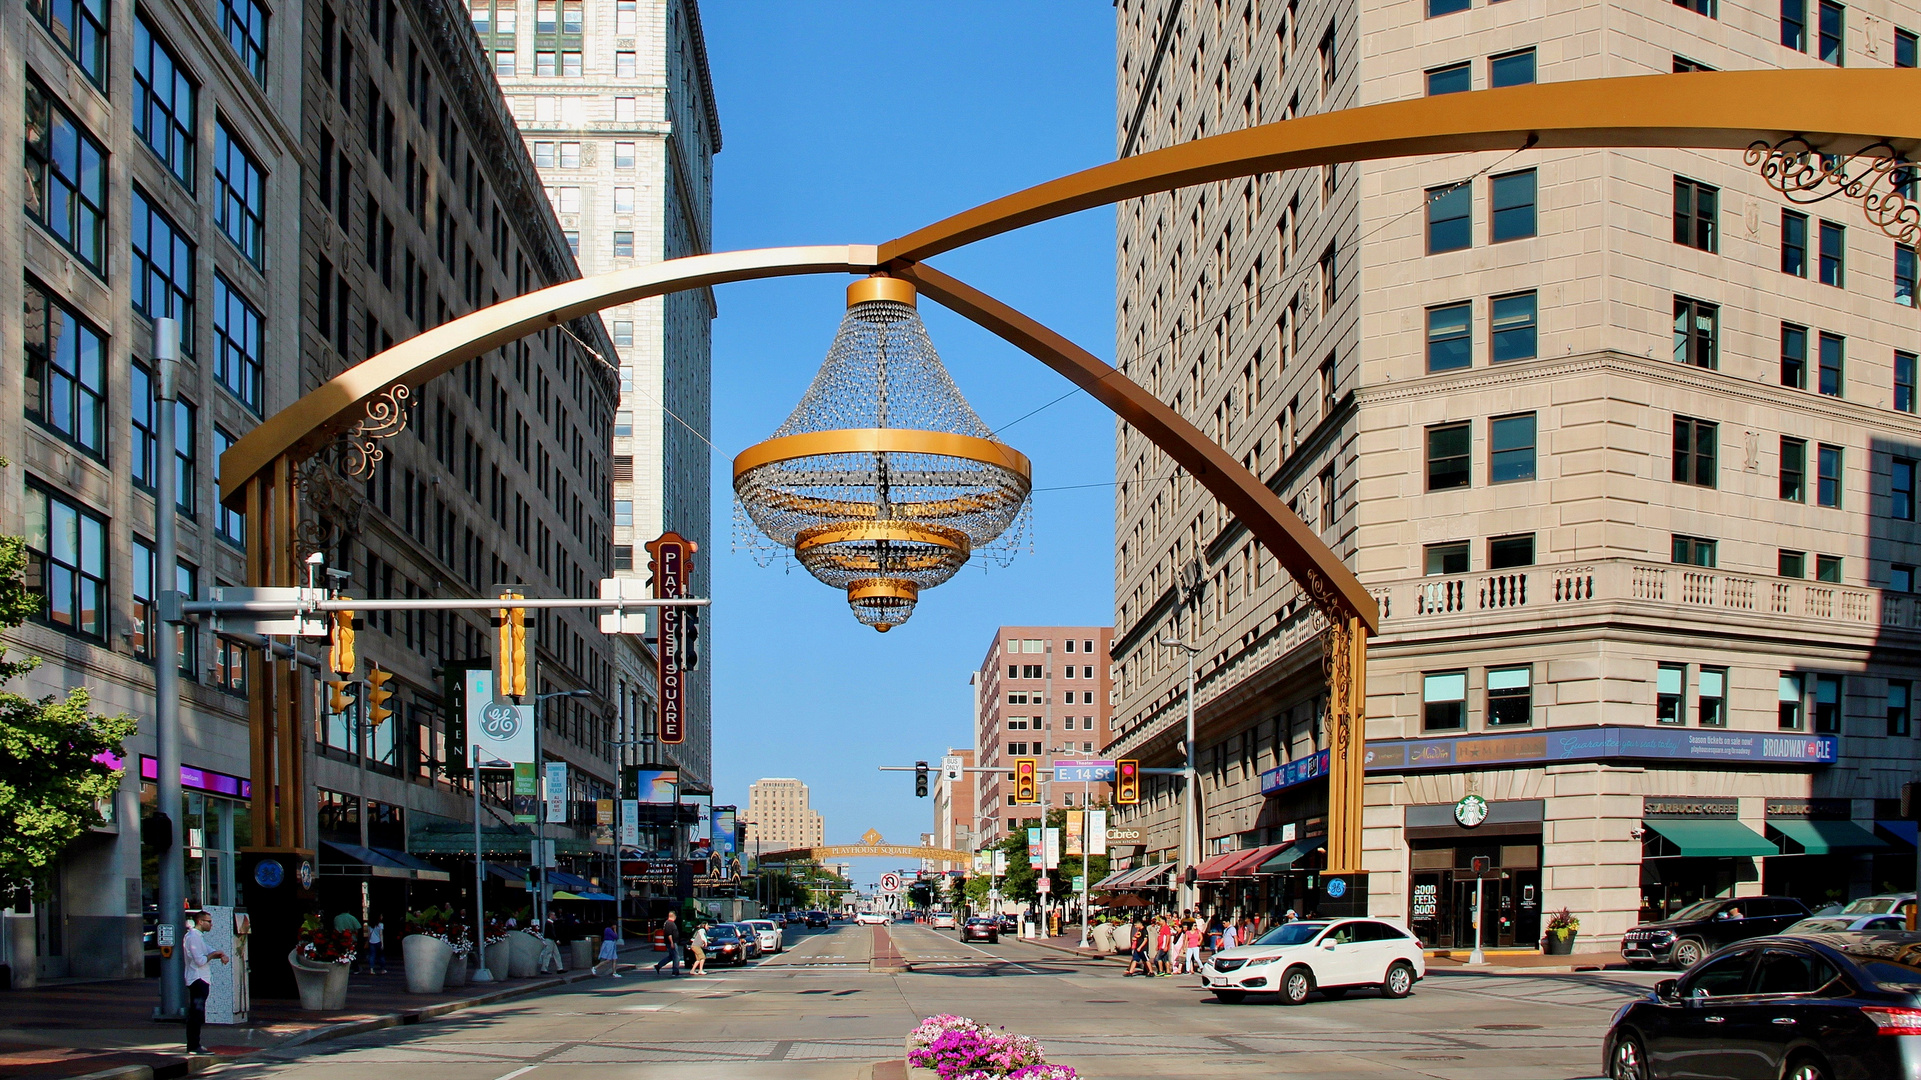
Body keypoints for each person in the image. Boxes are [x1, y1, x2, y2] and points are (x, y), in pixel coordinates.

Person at [183, 911, 228, 1055]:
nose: (211, 924)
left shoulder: (198, 937)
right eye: (208, 921)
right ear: (200, 922)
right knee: (196, 1013)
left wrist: (218, 953)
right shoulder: (193, 937)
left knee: (198, 1013)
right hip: (197, 978)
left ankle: (195, 1044)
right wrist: (215, 955)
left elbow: (209, 949)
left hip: (201, 978)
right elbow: (200, 960)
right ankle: (193, 1045)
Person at [653, 912, 680, 976]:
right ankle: (675, 971)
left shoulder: (668, 923)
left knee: (671, 957)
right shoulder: (669, 923)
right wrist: (672, 943)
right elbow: (669, 934)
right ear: (674, 917)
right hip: (672, 943)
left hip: (672, 942)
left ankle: (659, 966)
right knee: (676, 957)